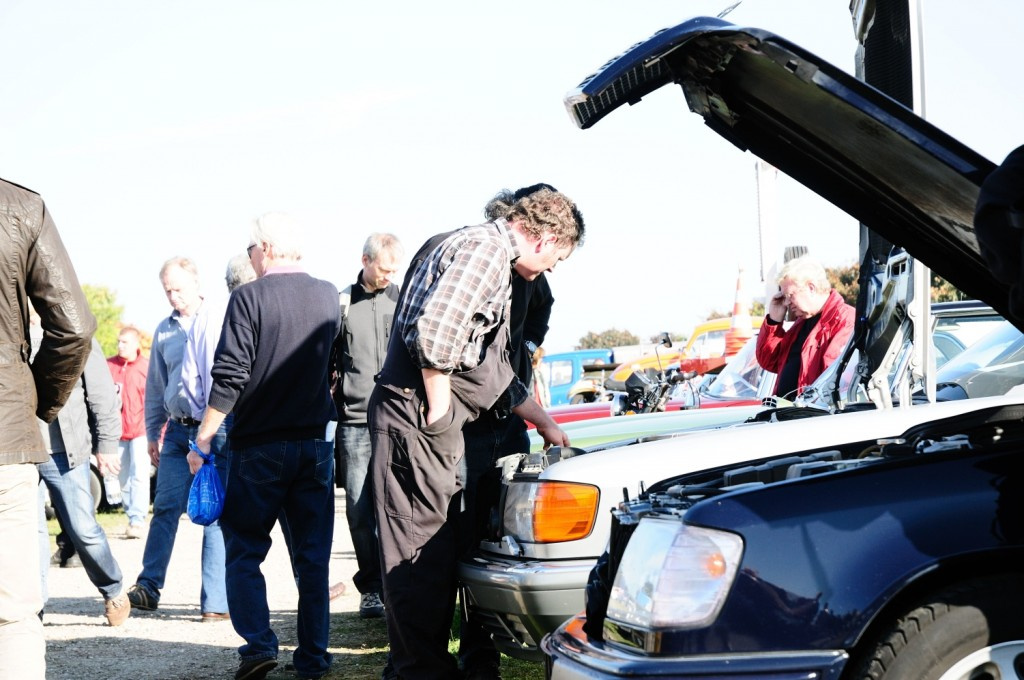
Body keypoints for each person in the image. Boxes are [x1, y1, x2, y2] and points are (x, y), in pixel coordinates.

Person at [369, 187, 584, 679]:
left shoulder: (483, 252)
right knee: (417, 557)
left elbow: (487, 368)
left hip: (425, 414)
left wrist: (543, 419)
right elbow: (436, 335)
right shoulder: (486, 251)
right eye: (557, 257)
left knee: (437, 550)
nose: (552, 268)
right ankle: (419, 672)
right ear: (546, 237)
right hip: (418, 413)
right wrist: (440, 412)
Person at [189, 213, 340, 680]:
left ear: (267, 248)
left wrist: (204, 436)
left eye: (252, 248)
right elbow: (335, 366)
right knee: (313, 559)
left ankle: (258, 646)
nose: (250, 256)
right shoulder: (328, 295)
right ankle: (313, 658)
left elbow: (230, 374)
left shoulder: (248, 297)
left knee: (245, 549)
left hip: (260, 447)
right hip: (315, 444)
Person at [455, 184, 560, 680]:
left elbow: (540, 315)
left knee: (496, 541)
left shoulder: (535, 282)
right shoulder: (481, 270)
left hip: (509, 420)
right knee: (454, 543)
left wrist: (530, 347)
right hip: (467, 426)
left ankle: (481, 659)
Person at [0, 177, 96, 680]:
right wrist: (33, 407)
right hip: (6, 440)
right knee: (14, 614)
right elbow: (74, 326)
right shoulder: (20, 205)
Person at [126, 257, 229, 621]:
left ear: (197, 283)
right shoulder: (164, 331)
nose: (173, 296)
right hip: (176, 431)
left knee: (214, 512)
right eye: (167, 290)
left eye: (179, 289)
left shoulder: (219, 321)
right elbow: (156, 386)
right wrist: (153, 432)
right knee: (166, 508)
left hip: (214, 428)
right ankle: (148, 587)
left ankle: (215, 603)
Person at [34, 331, 129, 627]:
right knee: (27, 532)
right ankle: (33, 607)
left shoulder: (71, 328)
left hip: (64, 448)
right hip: (17, 448)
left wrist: (108, 443)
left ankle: (112, 588)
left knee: (83, 529)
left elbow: (101, 393)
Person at [331, 232, 403, 620]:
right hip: (355, 423)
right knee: (360, 512)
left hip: (396, 421)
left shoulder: (403, 299)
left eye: (395, 270)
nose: (389, 276)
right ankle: (372, 589)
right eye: (384, 269)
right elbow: (328, 360)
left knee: (396, 507)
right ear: (365, 260)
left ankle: (398, 587)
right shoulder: (341, 303)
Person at [755, 256, 856, 398]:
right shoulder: (801, 323)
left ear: (811, 288)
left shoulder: (845, 321)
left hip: (815, 417)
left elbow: (835, 382)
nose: (787, 302)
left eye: (790, 295)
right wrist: (774, 320)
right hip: (790, 414)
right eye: (784, 296)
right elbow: (769, 361)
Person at [107, 325, 150, 538]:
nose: (120, 346)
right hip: (117, 432)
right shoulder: (108, 366)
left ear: (136, 344)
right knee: (122, 477)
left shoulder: (146, 367)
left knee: (140, 475)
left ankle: (137, 519)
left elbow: (155, 400)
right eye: (118, 342)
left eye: (124, 342)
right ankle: (130, 513)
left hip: (141, 430)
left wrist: (158, 433)